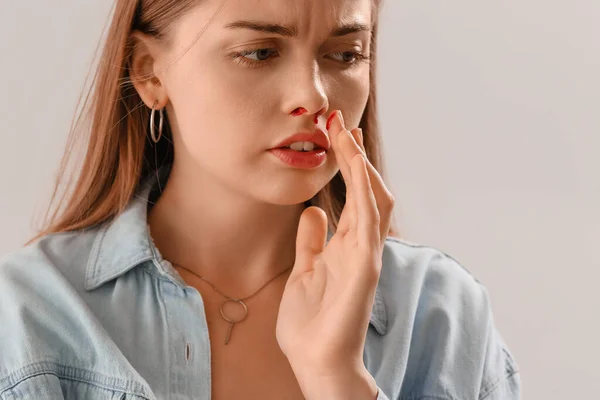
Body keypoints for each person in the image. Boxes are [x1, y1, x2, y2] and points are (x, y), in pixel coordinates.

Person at [0, 0, 521, 399]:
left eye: (345, 55)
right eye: (259, 52)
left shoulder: (443, 318)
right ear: (149, 72)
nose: (314, 96)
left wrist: (337, 379)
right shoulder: (30, 316)